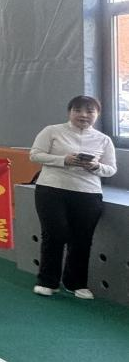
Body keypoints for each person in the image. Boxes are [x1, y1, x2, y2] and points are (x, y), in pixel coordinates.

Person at [28, 96, 117, 301]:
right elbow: (35, 155)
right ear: (69, 112)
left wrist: (95, 166)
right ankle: (47, 281)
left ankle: (76, 283)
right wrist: (64, 160)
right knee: (54, 234)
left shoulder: (103, 139)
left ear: (97, 114)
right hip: (52, 189)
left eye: (90, 111)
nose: (84, 115)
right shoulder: (52, 131)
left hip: (88, 192)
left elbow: (111, 169)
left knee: (82, 239)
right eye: (78, 110)